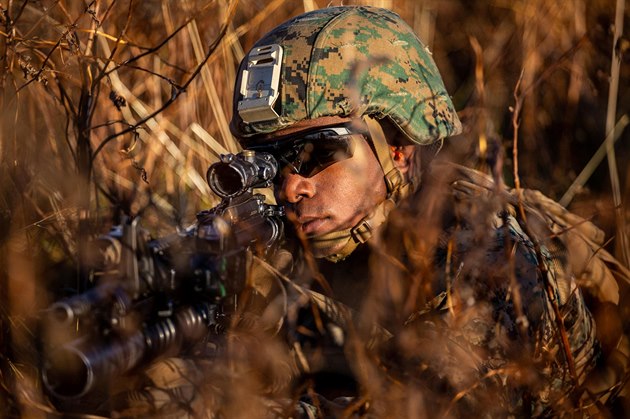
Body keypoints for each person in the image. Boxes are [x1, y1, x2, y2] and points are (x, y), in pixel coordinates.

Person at [110, 5, 625, 418]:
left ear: (399, 147)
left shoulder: (495, 262)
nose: (292, 187)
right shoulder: (302, 241)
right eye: (273, 163)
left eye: (318, 153)